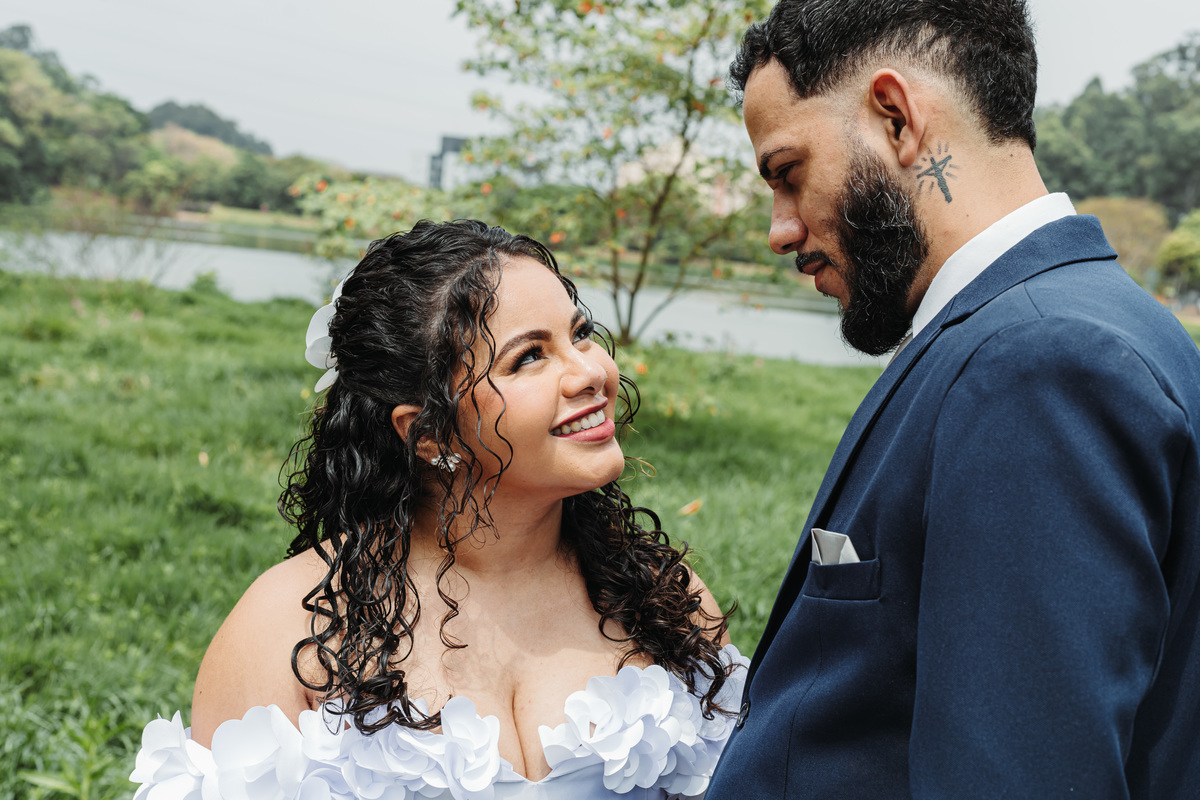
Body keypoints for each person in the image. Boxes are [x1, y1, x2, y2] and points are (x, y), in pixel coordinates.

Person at [707, 1, 1200, 797]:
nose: (780, 230)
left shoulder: (1040, 366)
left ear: (896, 118)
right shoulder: (1083, 325)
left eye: (788, 174)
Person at [130, 219, 746, 800]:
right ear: (428, 434)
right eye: (529, 356)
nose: (592, 372)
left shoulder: (666, 601)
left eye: (580, 333)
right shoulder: (285, 628)